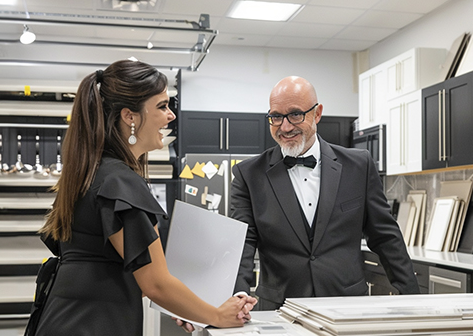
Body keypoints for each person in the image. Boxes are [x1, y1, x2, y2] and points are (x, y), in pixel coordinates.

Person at [34, 59, 255, 336]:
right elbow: (155, 284)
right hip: (93, 324)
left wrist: (190, 306)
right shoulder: (120, 182)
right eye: (162, 106)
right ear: (130, 116)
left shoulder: (93, 173)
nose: (171, 115)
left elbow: (121, 277)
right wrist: (217, 316)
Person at [230, 76, 421, 310]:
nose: (285, 127)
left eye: (295, 114)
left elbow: (385, 236)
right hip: (279, 308)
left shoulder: (359, 166)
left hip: (347, 307)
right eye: (276, 117)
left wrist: (412, 298)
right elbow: (242, 242)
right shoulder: (248, 174)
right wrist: (238, 295)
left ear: (317, 113)